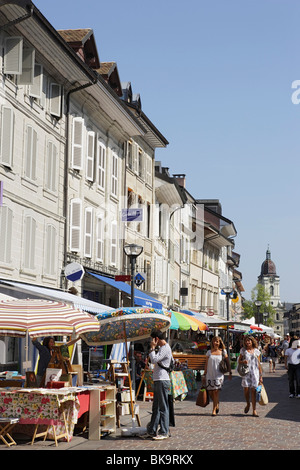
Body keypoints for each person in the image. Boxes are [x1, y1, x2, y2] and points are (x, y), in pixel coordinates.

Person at [146, 329, 173, 440]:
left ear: (156, 339)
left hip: (162, 379)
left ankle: (164, 431)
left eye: (152, 339)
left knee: (163, 407)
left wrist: (152, 348)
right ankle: (152, 430)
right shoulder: (162, 348)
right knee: (156, 406)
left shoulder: (165, 348)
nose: (151, 342)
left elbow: (154, 360)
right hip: (158, 379)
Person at [203, 336, 232, 416]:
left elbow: (227, 362)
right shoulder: (209, 352)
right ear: (212, 342)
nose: (216, 343)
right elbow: (206, 364)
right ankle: (217, 403)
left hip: (219, 374)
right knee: (210, 391)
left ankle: (214, 409)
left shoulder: (223, 351)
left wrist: (230, 373)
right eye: (214, 341)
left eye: (217, 341)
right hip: (210, 374)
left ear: (220, 343)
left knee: (216, 391)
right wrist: (204, 374)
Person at [238, 335, 263, 417]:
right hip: (246, 372)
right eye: (246, 341)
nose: (248, 342)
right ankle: (248, 403)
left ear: (252, 342)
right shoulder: (243, 350)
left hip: (254, 372)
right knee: (246, 389)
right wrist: (243, 362)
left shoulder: (256, 351)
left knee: (253, 391)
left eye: (249, 341)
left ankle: (254, 410)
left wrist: (260, 376)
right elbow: (239, 361)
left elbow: (259, 364)